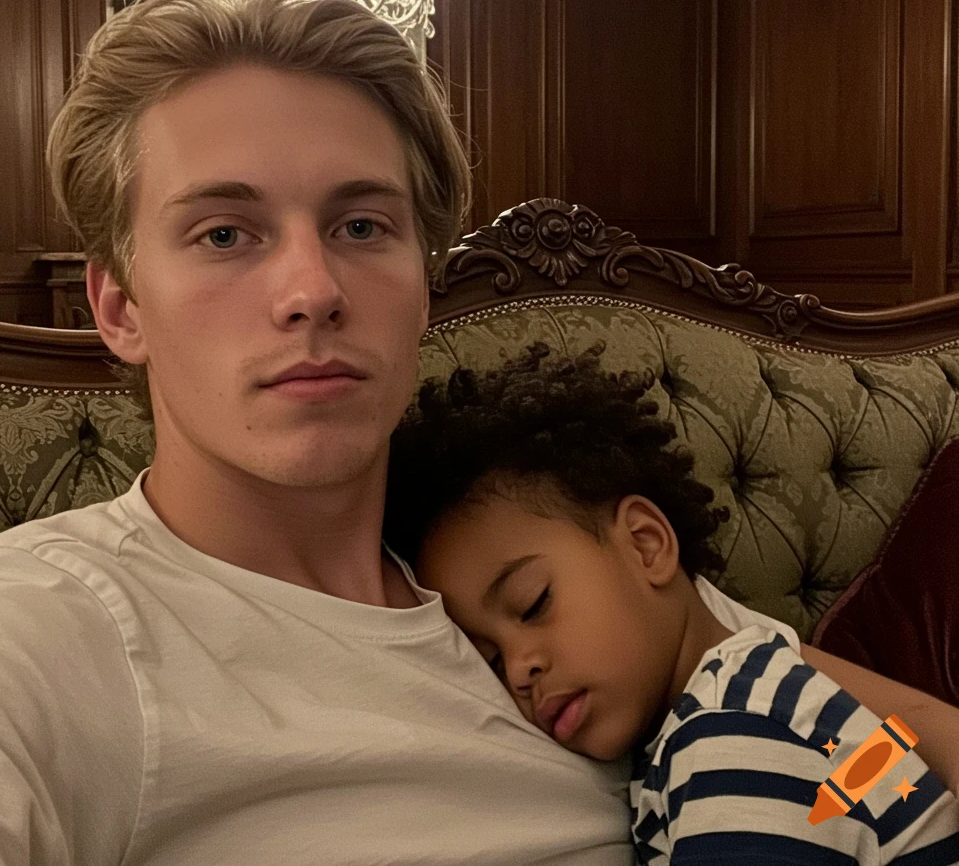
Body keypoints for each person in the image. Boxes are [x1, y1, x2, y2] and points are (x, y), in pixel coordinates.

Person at [0, 0, 956, 866]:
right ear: (118, 307)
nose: (311, 287)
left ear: (421, 285)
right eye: (224, 232)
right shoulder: (33, 632)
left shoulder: (542, 544)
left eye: (362, 225)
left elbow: (885, 742)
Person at [383, 341, 959, 864]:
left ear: (646, 543)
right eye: (489, 660)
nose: (518, 668)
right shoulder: (763, 692)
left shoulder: (732, 739)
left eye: (533, 604)